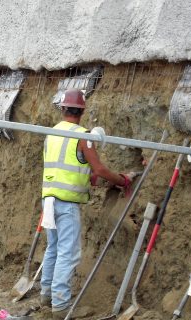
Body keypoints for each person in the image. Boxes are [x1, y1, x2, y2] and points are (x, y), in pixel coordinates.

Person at [40, 89, 136, 319]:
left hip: (49, 199)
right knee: (68, 253)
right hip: (67, 203)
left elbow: (66, 165)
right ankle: (61, 306)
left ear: (62, 109)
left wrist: (89, 178)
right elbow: (100, 169)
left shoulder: (50, 133)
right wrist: (122, 180)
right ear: (82, 111)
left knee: (53, 248)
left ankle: (46, 295)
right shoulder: (84, 136)